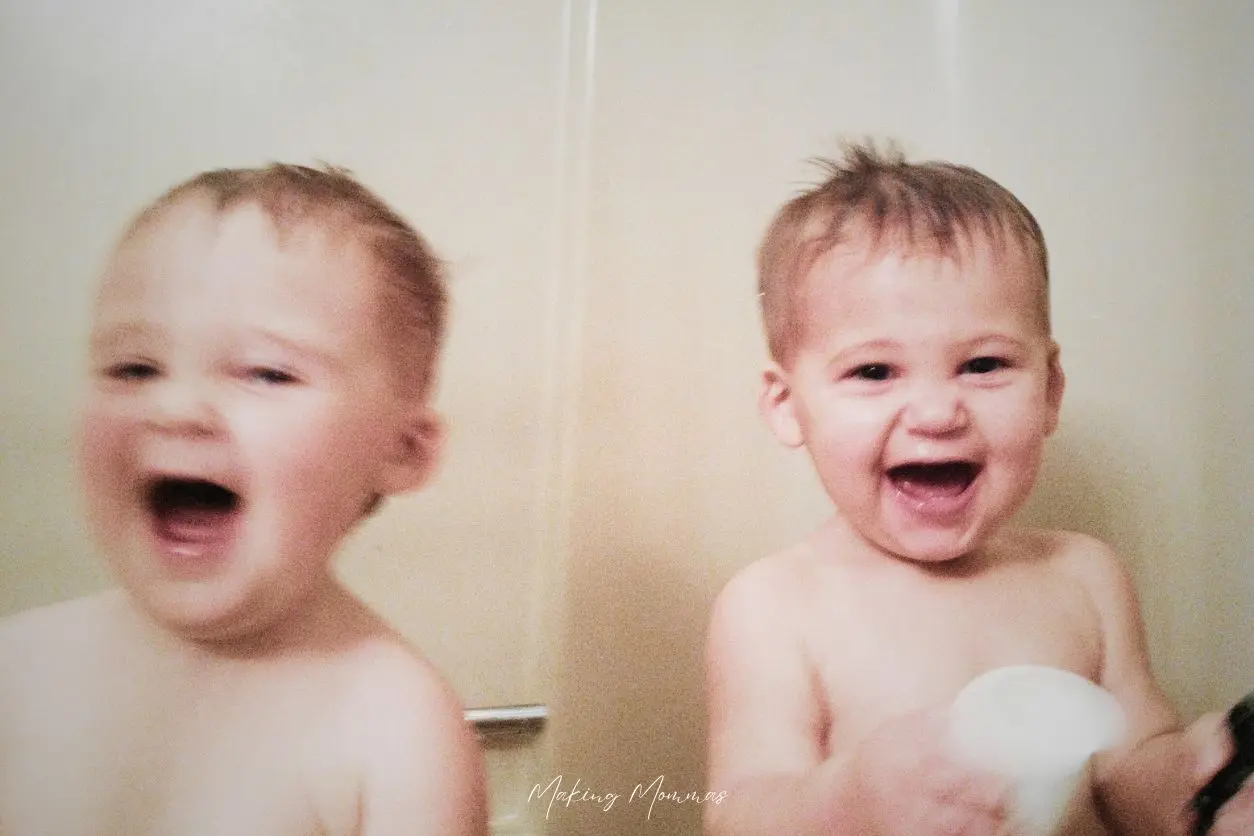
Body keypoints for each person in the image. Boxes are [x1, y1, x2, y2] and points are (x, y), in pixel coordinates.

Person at [704, 141, 1254, 835]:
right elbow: (741, 813)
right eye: (875, 372)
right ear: (788, 406)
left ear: (1050, 389)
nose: (937, 413)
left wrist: (1192, 788)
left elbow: (1123, 770)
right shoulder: (773, 608)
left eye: (984, 364)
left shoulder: (1084, 578)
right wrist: (849, 800)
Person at [0, 164, 488, 835]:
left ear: (401, 451)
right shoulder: (18, 669)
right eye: (133, 367)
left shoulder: (396, 735)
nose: (175, 406)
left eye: (266, 372)